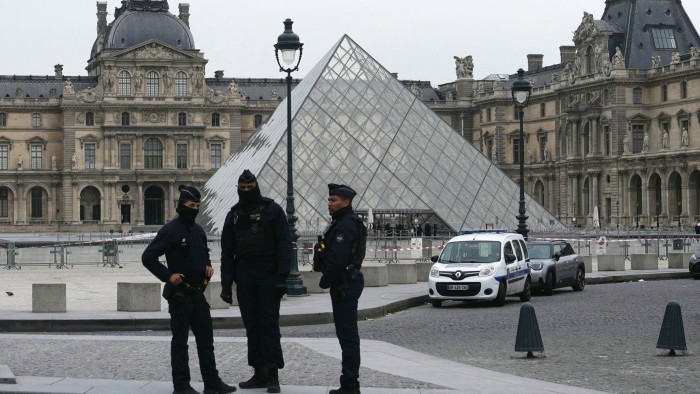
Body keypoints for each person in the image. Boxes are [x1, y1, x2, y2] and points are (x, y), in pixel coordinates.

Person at [142, 186, 236, 394]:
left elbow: (203, 253)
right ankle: (182, 385)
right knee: (180, 343)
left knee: (206, 341)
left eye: (197, 206)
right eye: (191, 205)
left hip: (198, 293)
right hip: (180, 295)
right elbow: (148, 257)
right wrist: (167, 276)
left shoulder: (199, 230)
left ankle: (212, 383)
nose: (194, 209)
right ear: (181, 206)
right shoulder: (170, 230)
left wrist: (208, 266)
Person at [220, 170, 291, 393]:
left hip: (268, 275)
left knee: (269, 324)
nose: (247, 191)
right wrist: (226, 284)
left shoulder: (273, 210)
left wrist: (282, 277)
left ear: (257, 187)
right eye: (243, 189)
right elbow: (227, 252)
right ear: (238, 189)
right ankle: (258, 372)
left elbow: (284, 245)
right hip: (245, 275)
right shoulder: (233, 215)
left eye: (250, 188)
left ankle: (272, 374)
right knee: (252, 326)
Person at [314, 184, 366, 394]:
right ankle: (349, 382)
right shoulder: (344, 223)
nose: (329, 203)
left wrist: (325, 280)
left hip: (344, 283)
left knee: (347, 335)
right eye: (329, 200)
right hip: (346, 281)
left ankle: (350, 384)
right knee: (346, 334)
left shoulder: (344, 226)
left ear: (346, 202)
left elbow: (338, 258)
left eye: (333, 200)